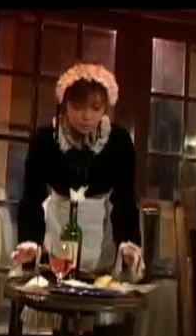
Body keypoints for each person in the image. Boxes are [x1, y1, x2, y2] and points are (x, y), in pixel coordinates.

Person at [11, 62, 144, 276]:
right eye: (78, 107)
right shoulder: (45, 140)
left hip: (103, 245)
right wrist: (30, 241)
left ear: (106, 107)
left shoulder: (118, 142)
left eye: (95, 108)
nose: (87, 116)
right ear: (65, 103)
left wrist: (128, 243)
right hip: (55, 240)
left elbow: (125, 200)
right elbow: (32, 198)